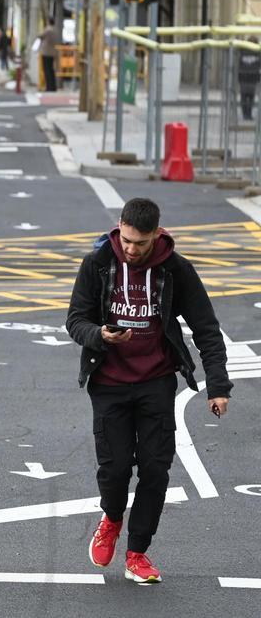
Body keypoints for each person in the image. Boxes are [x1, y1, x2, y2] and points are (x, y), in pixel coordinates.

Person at [65, 198, 230, 584]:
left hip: (156, 381)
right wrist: (99, 335)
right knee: (116, 468)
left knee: (156, 469)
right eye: (126, 239)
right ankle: (111, 517)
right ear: (119, 226)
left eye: (140, 243)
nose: (131, 249)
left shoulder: (176, 270)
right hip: (109, 382)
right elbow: (75, 319)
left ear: (156, 234)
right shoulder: (98, 263)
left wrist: (218, 386)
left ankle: (138, 552)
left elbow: (206, 328)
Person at [238, 39, 260, 121]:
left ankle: (246, 114)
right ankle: (248, 114)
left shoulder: (243, 51)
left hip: (244, 77)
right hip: (251, 77)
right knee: (250, 97)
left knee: (245, 96)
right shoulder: (257, 51)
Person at [37, 22, 58, 92]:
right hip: (53, 53)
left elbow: (40, 36)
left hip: (46, 53)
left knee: (47, 70)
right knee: (51, 70)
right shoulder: (55, 30)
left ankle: (49, 87)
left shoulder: (48, 30)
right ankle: (53, 87)